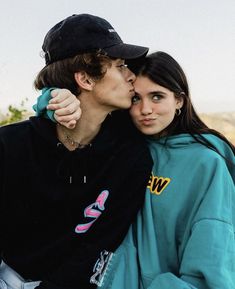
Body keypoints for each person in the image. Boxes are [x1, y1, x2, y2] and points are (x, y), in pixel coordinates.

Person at [41, 51, 235, 289]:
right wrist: (53, 100)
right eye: (136, 99)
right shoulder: (123, 146)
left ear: (179, 101)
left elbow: (211, 261)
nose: (145, 109)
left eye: (157, 97)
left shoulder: (206, 164)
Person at [0, 14, 153, 289]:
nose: (132, 76)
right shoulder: (9, 146)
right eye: (120, 66)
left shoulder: (131, 157)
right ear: (85, 78)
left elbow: (100, 245)